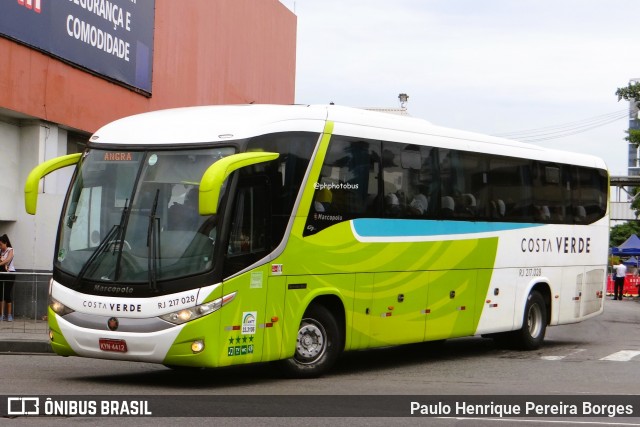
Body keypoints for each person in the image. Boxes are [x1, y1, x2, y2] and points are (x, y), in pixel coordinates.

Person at [0, 234, 16, 321]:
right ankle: (1, 314)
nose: (0, 246)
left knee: (7, 294)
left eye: (1, 244)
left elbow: (8, 260)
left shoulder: (10, 250)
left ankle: (9, 315)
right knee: (0, 294)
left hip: (10, 273)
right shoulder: (0, 251)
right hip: (1, 273)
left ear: (6, 243)